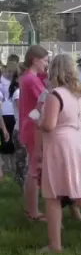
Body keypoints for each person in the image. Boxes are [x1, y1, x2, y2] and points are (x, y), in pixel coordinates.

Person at [38, 54, 81, 253]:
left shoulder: (55, 94)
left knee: (52, 196)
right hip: (79, 142)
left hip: (59, 145)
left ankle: (55, 245)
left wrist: (38, 123)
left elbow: (49, 125)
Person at [19, 44, 49, 222]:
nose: (46, 64)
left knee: (32, 169)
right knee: (34, 170)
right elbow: (45, 99)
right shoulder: (31, 80)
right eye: (44, 60)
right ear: (35, 60)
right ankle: (33, 211)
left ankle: (30, 208)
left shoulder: (27, 77)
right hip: (33, 128)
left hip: (27, 125)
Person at [0, 54, 20, 172]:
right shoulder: (3, 80)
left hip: (11, 113)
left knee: (10, 140)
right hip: (6, 113)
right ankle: (8, 166)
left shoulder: (15, 83)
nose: (9, 73)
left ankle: (10, 166)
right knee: (7, 139)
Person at [9, 64, 27, 192]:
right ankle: (23, 189)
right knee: (22, 162)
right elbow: (24, 112)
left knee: (27, 162)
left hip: (27, 130)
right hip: (20, 130)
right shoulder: (18, 93)